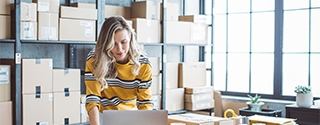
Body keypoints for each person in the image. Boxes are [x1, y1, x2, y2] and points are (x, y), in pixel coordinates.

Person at [84, 16, 153, 125]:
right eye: (113, 44)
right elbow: (92, 99)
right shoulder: (94, 60)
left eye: (123, 42)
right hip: (103, 118)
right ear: (105, 43)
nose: (119, 49)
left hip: (132, 116)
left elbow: (145, 103)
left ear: (130, 37)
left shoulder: (143, 64)